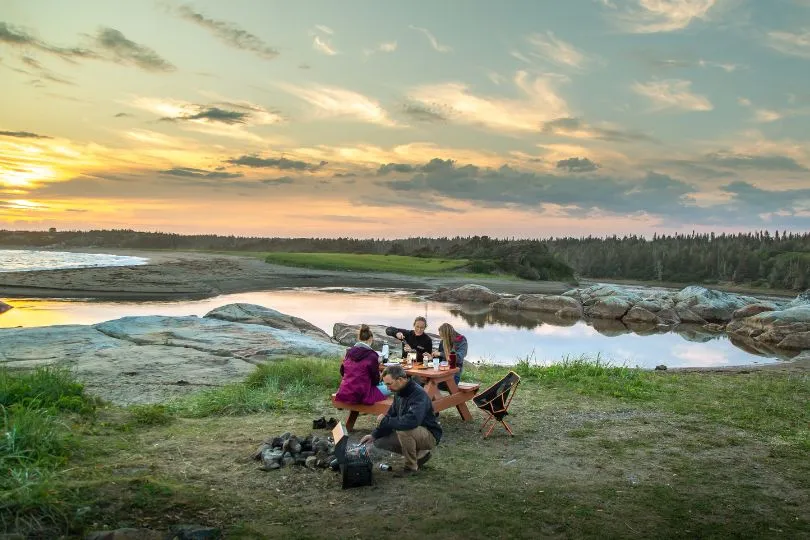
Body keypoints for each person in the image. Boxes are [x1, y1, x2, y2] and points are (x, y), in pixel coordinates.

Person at [359, 365, 442, 476]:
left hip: (430, 435)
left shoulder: (418, 394)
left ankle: (410, 468)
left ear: (401, 380)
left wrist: (385, 421)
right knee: (379, 441)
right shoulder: (399, 393)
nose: (387, 388)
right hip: (415, 432)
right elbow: (391, 414)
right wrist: (374, 435)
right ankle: (421, 455)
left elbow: (412, 421)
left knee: (404, 430)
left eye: (389, 384)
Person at [335, 324, 391, 405]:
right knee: (392, 387)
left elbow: (342, 372)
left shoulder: (349, 352)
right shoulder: (372, 355)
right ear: (371, 338)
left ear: (359, 338)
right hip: (363, 395)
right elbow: (375, 380)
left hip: (346, 391)